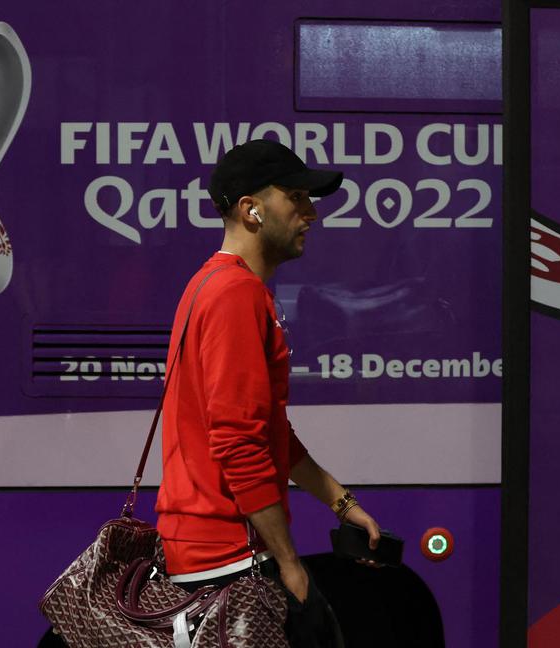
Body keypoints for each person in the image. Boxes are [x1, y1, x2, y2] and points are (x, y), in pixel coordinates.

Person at [155, 139, 383, 646]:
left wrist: (341, 504)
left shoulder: (215, 285)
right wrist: (288, 563)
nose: (311, 214)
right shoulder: (234, 295)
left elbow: (269, 429)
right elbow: (239, 441)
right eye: (296, 198)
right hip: (227, 557)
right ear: (251, 210)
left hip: (215, 550)